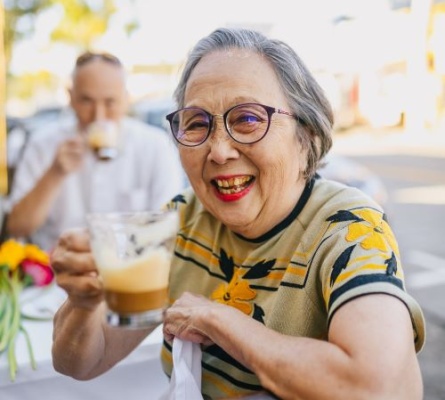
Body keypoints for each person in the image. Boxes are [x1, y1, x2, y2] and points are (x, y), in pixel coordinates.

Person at [51, 28, 425, 400]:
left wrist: (216, 318)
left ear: (306, 134)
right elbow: (81, 363)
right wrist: (83, 303)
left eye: (247, 119)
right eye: (196, 123)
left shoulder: (349, 229)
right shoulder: (181, 220)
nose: (218, 151)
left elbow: (377, 388)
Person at [5, 51, 185, 251]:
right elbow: (17, 227)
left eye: (110, 102)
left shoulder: (155, 146)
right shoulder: (43, 144)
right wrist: (55, 173)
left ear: (126, 99)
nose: (98, 116)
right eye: (86, 101)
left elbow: (169, 226)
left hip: (132, 272)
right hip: (56, 273)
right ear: (71, 98)